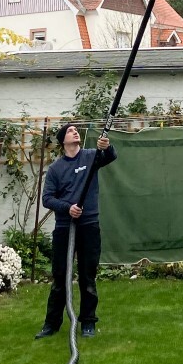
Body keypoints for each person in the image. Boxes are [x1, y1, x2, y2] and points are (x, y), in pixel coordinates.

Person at [36, 122, 116, 339]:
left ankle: (88, 322)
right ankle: (51, 324)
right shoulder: (56, 169)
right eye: (70, 131)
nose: (75, 132)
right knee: (60, 276)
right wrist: (67, 208)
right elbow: (47, 199)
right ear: (63, 141)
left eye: (76, 130)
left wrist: (106, 146)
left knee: (87, 275)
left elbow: (110, 157)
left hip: (89, 225)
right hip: (64, 228)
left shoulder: (91, 156)